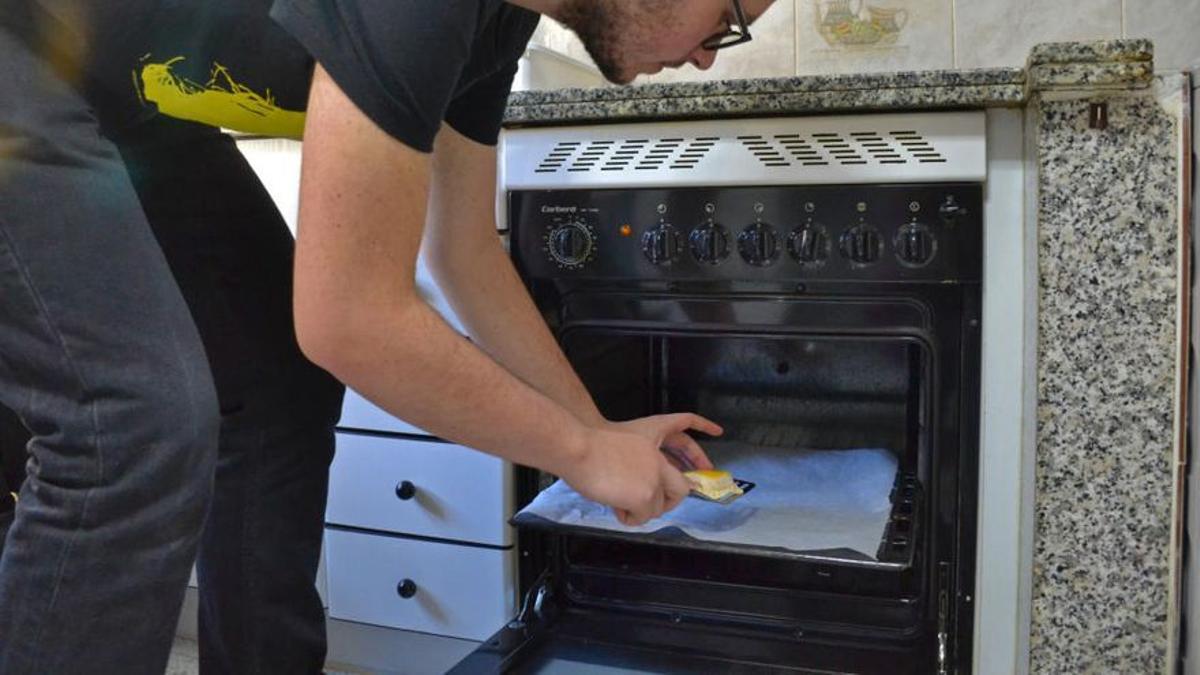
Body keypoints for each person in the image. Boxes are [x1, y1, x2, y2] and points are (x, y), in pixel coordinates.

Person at [0, 0, 774, 673]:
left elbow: (463, 252)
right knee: (132, 420)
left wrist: (598, 434)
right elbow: (349, 318)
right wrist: (579, 455)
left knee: (278, 385)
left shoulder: (495, 21)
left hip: (120, 97)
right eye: (731, 20)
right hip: (21, 48)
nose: (709, 55)